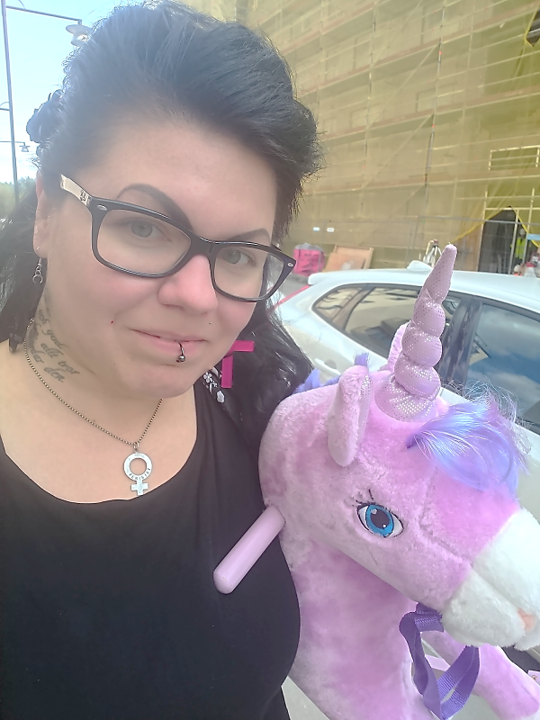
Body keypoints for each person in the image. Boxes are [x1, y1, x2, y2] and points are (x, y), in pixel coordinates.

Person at [0, 2, 321, 718]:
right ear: (46, 212)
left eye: (239, 254)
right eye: (145, 228)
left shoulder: (258, 413)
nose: (196, 296)